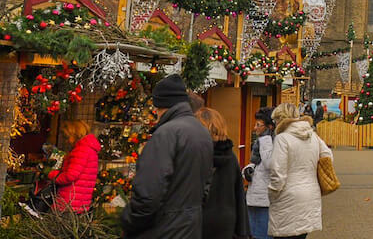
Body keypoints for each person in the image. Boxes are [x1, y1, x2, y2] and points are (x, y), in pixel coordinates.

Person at [121, 74, 213, 239]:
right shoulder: (201, 131)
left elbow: (148, 193)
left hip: (162, 229)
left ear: (159, 105)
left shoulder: (166, 134)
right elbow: (206, 186)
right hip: (190, 227)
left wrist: (128, 221)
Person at [268, 102, 332, 239]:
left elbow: (277, 172)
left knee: (285, 234)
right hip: (310, 192)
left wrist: (272, 193)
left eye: (275, 120)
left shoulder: (282, 139)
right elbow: (327, 156)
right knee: (302, 235)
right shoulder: (313, 136)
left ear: (280, 119)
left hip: (287, 195)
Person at [195, 107, 250, 239]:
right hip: (226, 223)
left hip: (199, 222)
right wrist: (243, 231)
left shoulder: (195, 156)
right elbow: (239, 195)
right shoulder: (230, 157)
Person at [46, 119, 100, 213]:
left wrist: (50, 174)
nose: (66, 141)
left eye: (67, 137)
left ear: (74, 134)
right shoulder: (90, 149)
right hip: (80, 203)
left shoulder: (81, 150)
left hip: (69, 202)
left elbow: (70, 176)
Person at [245, 107, 275, 239]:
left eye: (258, 125)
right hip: (255, 196)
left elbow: (269, 164)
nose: (255, 128)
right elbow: (257, 165)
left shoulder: (270, 142)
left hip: (265, 199)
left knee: (262, 234)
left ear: (269, 127)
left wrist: (265, 139)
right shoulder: (259, 145)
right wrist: (247, 170)